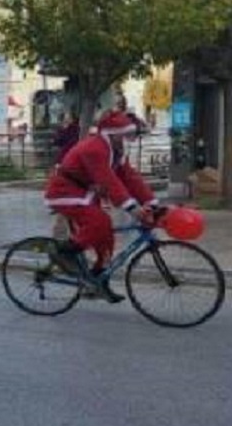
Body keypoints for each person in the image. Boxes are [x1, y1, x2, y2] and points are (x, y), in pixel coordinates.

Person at [45, 111, 159, 303]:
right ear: (112, 134)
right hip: (65, 191)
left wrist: (152, 203)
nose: (126, 140)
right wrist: (133, 209)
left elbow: (130, 178)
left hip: (85, 193)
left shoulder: (116, 150)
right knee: (100, 221)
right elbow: (109, 181)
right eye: (124, 136)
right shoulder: (95, 148)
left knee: (106, 236)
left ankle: (97, 281)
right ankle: (63, 253)